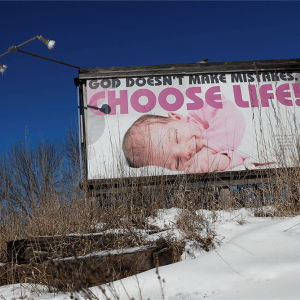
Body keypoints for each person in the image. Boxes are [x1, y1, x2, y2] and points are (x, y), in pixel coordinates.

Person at [122, 97, 247, 173]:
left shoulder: (202, 111)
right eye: (177, 163)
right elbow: (244, 161)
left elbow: (232, 117)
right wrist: (222, 162)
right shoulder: (197, 166)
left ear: (177, 117)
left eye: (176, 138)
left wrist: (209, 150)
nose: (184, 153)